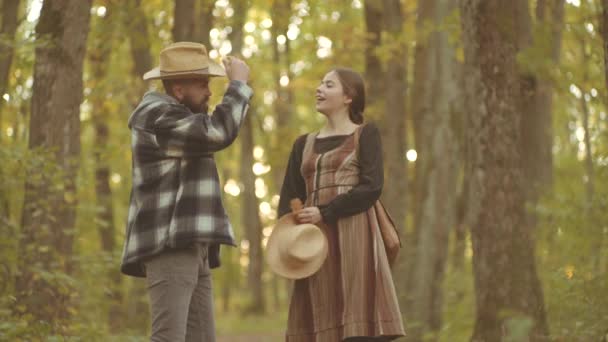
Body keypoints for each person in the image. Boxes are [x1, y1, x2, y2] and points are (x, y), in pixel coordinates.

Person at [120, 42, 252, 342]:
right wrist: (239, 86)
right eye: (203, 84)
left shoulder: (177, 115)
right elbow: (218, 131)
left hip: (191, 244)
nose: (209, 92)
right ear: (178, 90)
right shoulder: (156, 116)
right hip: (170, 243)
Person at [278, 67, 405, 342]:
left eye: (328, 85)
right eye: (320, 83)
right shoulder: (303, 144)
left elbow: (371, 187)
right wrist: (292, 230)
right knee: (317, 319)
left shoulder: (366, 134)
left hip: (355, 237)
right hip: (313, 244)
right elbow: (290, 195)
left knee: (358, 324)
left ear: (349, 96)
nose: (319, 89)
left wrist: (326, 212)